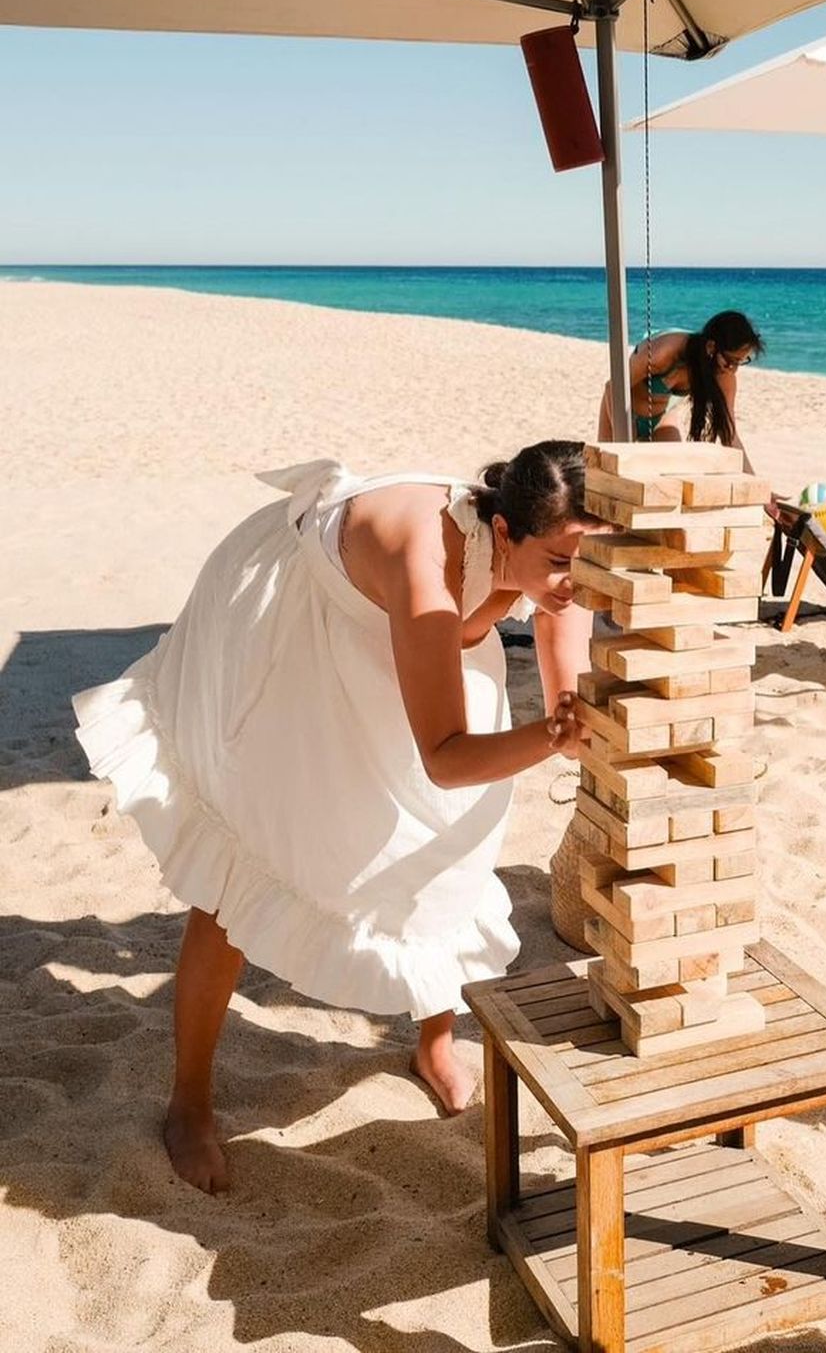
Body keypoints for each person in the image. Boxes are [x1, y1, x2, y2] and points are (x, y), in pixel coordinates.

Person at [73, 443, 599, 1193]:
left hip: (416, 639)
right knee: (248, 860)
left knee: (449, 843)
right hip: (297, 630)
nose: (577, 580)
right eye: (562, 563)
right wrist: (550, 738)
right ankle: (189, 1103)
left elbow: (560, 652)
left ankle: (433, 1041)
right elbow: (446, 754)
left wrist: (568, 717)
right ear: (506, 532)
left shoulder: (556, 555)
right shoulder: (424, 561)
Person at [597, 311, 762, 458]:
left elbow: (729, 433)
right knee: (604, 472)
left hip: (661, 421)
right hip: (621, 412)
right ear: (711, 347)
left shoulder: (724, 374)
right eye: (731, 360)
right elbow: (613, 388)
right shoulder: (664, 352)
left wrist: (755, 480)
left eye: (741, 361)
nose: (733, 369)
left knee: (673, 472)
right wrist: (625, 443)